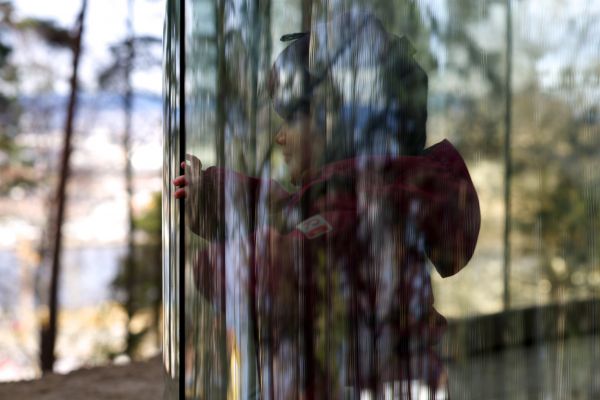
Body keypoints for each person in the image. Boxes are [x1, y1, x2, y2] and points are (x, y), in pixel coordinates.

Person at [173, 12, 480, 399]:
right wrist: (212, 195)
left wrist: (216, 265)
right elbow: (284, 209)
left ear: (337, 124)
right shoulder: (371, 193)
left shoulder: (362, 210)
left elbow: (286, 265)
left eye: (292, 121)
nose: (280, 138)